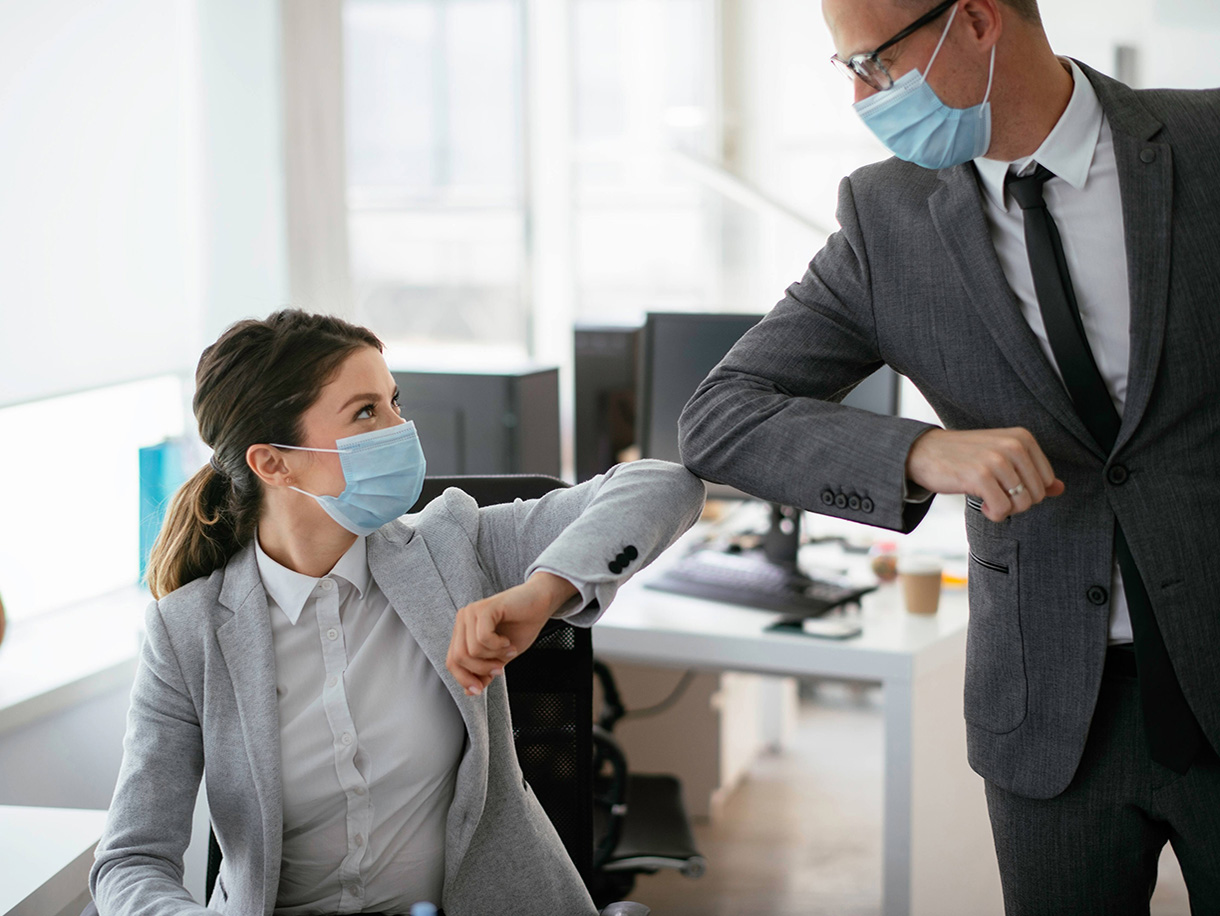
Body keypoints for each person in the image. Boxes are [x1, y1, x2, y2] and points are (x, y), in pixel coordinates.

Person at [678, 0, 1220, 912]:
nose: (860, 97)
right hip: (1048, 710)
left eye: (875, 66)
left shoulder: (1207, 146)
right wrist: (922, 451)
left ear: (975, 21)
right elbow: (722, 415)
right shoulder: (886, 219)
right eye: (845, 70)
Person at [90, 309, 705, 916]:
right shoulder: (187, 632)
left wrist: (541, 592)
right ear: (272, 462)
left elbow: (665, 485)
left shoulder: (452, 547)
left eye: (394, 403)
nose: (400, 428)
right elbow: (132, 860)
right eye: (365, 412)